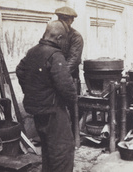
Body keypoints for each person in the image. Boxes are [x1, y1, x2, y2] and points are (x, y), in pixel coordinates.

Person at [16, 20, 77, 172]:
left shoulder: (32, 51)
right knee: (62, 152)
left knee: (48, 150)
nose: (64, 44)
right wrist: (72, 102)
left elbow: (20, 70)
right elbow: (66, 87)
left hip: (38, 111)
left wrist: (32, 91)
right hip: (53, 112)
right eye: (64, 40)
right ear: (58, 38)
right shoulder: (55, 55)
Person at [55, 6, 84, 134]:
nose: (62, 21)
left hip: (70, 77)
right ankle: (59, 133)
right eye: (60, 18)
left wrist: (60, 75)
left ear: (72, 20)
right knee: (56, 106)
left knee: (74, 106)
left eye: (66, 19)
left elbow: (74, 60)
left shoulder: (76, 37)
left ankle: (74, 134)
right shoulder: (54, 34)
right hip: (56, 75)